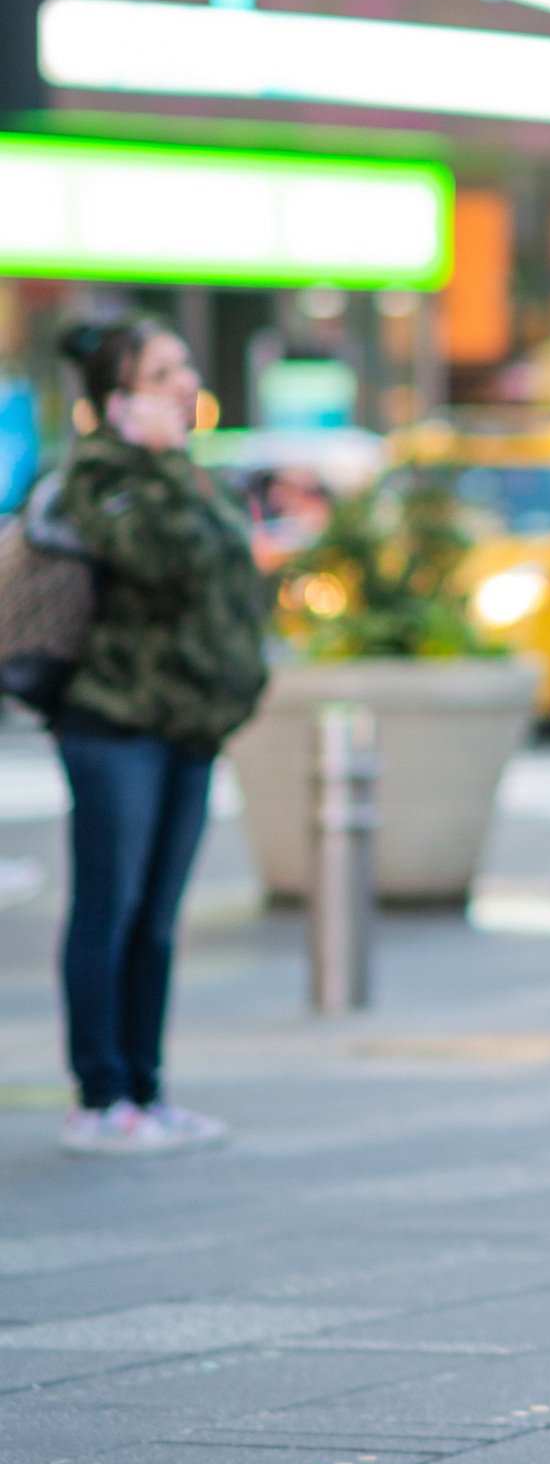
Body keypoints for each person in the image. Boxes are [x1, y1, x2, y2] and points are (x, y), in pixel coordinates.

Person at [49, 315, 267, 1156]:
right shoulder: (102, 475)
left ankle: (146, 1086)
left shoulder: (184, 470)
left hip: (186, 723)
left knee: (159, 918)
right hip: (114, 721)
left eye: (184, 367)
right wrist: (149, 458)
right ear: (119, 397)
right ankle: (98, 1096)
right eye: (163, 372)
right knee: (111, 906)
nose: (186, 382)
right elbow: (162, 558)